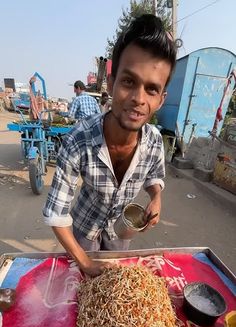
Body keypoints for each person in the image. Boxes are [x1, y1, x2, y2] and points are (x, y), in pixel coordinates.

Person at [43, 14, 177, 277]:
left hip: (122, 229)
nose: (138, 99)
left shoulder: (154, 144)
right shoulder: (77, 140)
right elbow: (56, 215)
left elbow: (154, 178)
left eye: (151, 90)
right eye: (128, 81)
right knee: (82, 286)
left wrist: (156, 198)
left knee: (116, 284)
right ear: (112, 82)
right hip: (83, 229)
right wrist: (86, 263)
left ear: (161, 99)